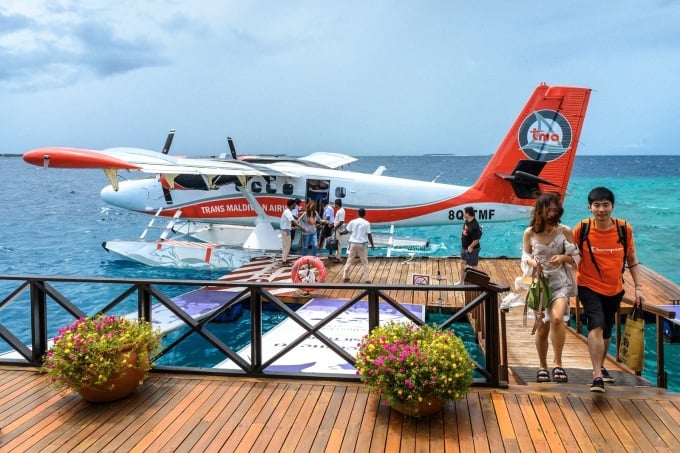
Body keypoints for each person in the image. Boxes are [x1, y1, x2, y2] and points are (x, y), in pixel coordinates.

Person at [574, 187, 645, 393]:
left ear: (612, 206)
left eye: (606, 205)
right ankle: (597, 375)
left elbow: (631, 259)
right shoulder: (583, 228)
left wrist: (638, 287)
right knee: (595, 325)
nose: (601, 209)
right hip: (588, 284)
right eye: (597, 205)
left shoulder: (624, 229)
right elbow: (571, 254)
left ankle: (601, 365)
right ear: (589, 207)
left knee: (606, 330)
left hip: (615, 287)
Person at [521, 192, 580, 384]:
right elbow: (524, 257)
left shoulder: (565, 231)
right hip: (540, 285)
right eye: (549, 210)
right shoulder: (530, 232)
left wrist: (563, 258)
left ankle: (557, 362)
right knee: (542, 328)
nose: (552, 213)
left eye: (556, 210)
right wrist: (533, 262)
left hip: (559, 282)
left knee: (556, 319)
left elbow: (577, 258)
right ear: (540, 211)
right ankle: (542, 365)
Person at [341, 208, 375, 283]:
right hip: (362, 244)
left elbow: (346, 231)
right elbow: (369, 234)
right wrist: (372, 244)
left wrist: (340, 233)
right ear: (364, 214)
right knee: (365, 262)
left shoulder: (352, 222)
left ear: (358, 213)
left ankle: (345, 276)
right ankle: (367, 279)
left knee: (349, 260)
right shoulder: (367, 223)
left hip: (353, 243)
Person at [458, 206, 482, 283]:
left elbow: (476, 240)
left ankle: (476, 283)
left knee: (473, 267)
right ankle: (461, 282)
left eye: (464, 212)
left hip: (472, 249)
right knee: (462, 263)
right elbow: (465, 229)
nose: (463, 214)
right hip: (464, 247)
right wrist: (462, 236)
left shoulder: (475, 225)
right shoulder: (467, 221)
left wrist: (470, 247)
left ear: (467, 214)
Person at [280, 199, 299, 264]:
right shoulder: (288, 212)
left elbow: (285, 223)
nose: (295, 205)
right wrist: (301, 227)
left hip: (285, 230)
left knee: (285, 246)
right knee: (287, 246)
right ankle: (284, 261)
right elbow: (293, 221)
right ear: (292, 205)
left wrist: (292, 228)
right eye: (294, 204)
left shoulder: (287, 211)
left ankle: (284, 259)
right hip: (286, 232)